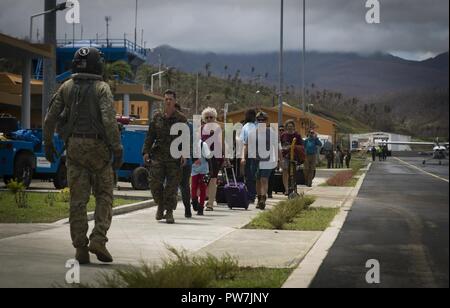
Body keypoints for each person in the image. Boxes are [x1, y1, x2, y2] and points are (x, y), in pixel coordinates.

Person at [43, 47, 123, 264]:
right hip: (99, 151)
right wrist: (117, 149)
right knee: (105, 195)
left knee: (78, 201)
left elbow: (50, 118)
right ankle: (98, 238)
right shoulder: (102, 88)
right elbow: (109, 121)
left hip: (74, 149)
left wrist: (48, 144)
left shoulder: (66, 87)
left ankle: (80, 248)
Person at [143, 90, 187, 224]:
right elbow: (150, 136)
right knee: (154, 183)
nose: (168, 101)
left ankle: (169, 211)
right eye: (166, 99)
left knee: (172, 186)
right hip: (158, 155)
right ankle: (160, 205)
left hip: (174, 157)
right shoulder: (157, 117)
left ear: (174, 101)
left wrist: (184, 154)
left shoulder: (181, 119)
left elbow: (185, 138)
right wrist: (146, 151)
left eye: (170, 99)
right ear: (164, 100)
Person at [254, 112, 280, 210]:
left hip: (268, 160)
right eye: (259, 120)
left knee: (264, 179)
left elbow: (276, 147)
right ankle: (259, 197)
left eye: (263, 120)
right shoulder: (253, 132)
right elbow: (247, 146)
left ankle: (263, 198)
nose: (261, 121)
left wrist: (278, 159)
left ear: (267, 121)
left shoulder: (271, 132)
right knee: (257, 180)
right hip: (255, 159)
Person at [201, 107, 223, 211]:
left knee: (213, 179)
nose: (209, 119)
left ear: (214, 118)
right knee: (203, 179)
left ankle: (210, 203)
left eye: (211, 117)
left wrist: (226, 157)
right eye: (207, 117)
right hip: (203, 156)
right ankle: (201, 199)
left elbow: (222, 143)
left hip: (215, 156)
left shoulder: (218, 128)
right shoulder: (201, 129)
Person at [175, 103, 193, 218]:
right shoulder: (166, 124)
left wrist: (185, 155)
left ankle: (187, 208)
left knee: (184, 185)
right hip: (170, 160)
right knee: (170, 185)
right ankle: (169, 209)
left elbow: (190, 142)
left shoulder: (188, 125)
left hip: (185, 160)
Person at [280, 120, 304, 193]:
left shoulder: (297, 135)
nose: (290, 128)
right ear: (286, 127)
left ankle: (293, 187)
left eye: (291, 126)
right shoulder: (283, 135)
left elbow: (302, 146)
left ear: (294, 127)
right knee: (285, 171)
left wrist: (292, 147)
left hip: (295, 157)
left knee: (293, 173)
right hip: (285, 156)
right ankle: (286, 189)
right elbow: (280, 146)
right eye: (288, 126)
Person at [240, 109, 258, 203]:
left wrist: (243, 157)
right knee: (257, 176)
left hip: (250, 154)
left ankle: (251, 196)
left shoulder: (245, 127)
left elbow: (243, 143)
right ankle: (259, 194)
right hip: (260, 154)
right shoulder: (259, 126)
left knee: (250, 176)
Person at [191, 138, 212, 216]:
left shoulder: (203, 144)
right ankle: (195, 202)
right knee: (195, 187)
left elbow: (208, 156)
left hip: (204, 170)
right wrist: (194, 160)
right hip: (195, 169)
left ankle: (200, 207)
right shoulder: (190, 144)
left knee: (201, 188)